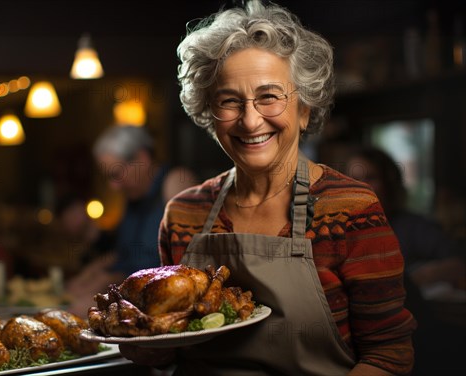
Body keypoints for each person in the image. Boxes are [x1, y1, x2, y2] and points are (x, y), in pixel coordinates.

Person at [120, 2, 416, 375]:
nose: (249, 119)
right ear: (208, 113)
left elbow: (388, 356)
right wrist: (148, 348)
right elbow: (173, 345)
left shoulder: (350, 209)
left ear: (304, 108)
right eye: (229, 101)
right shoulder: (184, 213)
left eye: (269, 96)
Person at [64, 125, 197, 317]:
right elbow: (124, 254)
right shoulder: (133, 196)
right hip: (130, 300)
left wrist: (112, 285)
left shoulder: (175, 182)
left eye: (116, 175)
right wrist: (94, 272)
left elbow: (186, 267)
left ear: (141, 159)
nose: (113, 186)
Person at [346, 146, 465, 288]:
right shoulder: (337, 230)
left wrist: (417, 277)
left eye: (371, 178)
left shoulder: (414, 227)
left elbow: (459, 263)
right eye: (354, 179)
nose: (361, 186)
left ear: (389, 183)